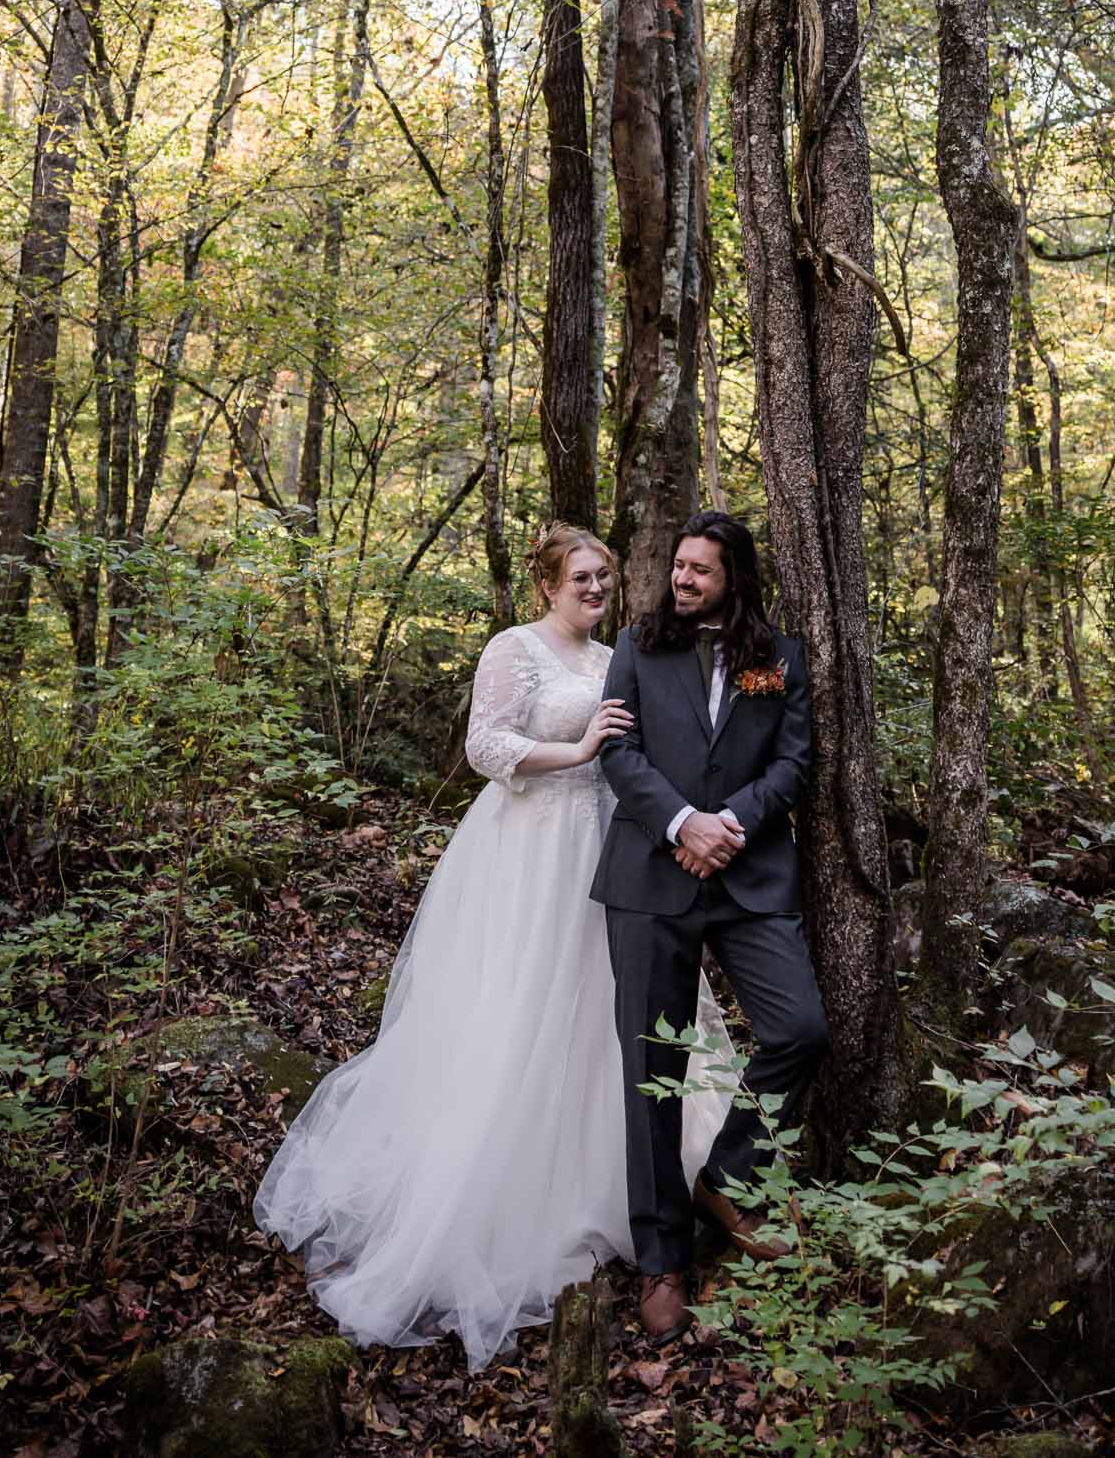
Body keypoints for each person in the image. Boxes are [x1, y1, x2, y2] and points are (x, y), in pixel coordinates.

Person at [252, 522, 733, 1370]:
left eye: (605, 579)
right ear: (548, 584)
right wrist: (577, 747)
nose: (596, 591)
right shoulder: (515, 649)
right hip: (529, 853)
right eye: (582, 578)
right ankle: (507, 1195)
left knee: (610, 1019)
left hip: (609, 853)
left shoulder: (617, 655)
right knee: (520, 1008)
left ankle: (640, 1183)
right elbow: (485, 746)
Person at [592, 509, 830, 1347]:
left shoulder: (781, 658)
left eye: (700, 569)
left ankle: (725, 1176)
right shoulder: (637, 644)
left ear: (735, 575)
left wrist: (724, 824)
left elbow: (792, 765)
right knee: (650, 1065)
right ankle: (662, 1263)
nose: (683, 579)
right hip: (651, 875)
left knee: (800, 1028)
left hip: (748, 876)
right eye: (679, 566)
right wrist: (681, 823)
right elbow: (617, 754)